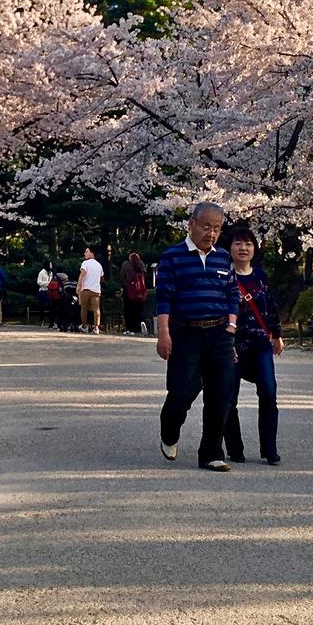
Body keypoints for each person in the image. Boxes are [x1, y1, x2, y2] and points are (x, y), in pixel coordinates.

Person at [155, 202, 239, 471]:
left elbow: (232, 295)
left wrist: (232, 327)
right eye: (206, 226)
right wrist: (163, 333)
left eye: (216, 228)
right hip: (185, 332)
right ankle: (170, 430)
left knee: (221, 394)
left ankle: (212, 452)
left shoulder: (223, 257)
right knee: (180, 390)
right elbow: (164, 298)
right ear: (190, 224)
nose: (211, 233)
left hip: (219, 333)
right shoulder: (172, 256)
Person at [219, 222, 284, 465]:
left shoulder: (260, 275)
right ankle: (235, 448)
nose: (243, 248)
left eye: (248, 243)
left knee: (268, 392)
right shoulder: (224, 275)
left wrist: (276, 335)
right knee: (229, 397)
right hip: (232, 346)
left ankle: (270, 448)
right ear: (230, 248)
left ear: (255, 249)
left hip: (260, 343)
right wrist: (225, 341)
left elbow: (270, 307)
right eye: (238, 243)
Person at [77, 244, 105, 333]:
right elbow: (101, 278)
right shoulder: (99, 265)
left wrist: (79, 286)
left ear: (92, 253)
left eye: (86, 251)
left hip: (85, 289)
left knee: (84, 308)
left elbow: (82, 275)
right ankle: (96, 327)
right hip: (96, 290)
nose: (85, 253)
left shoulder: (85, 263)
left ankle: (84, 326)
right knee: (96, 309)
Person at [121, 250, 149, 335]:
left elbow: (122, 276)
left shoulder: (126, 264)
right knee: (139, 310)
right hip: (140, 290)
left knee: (128, 310)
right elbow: (145, 276)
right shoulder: (141, 264)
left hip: (129, 290)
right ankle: (140, 326)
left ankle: (130, 328)